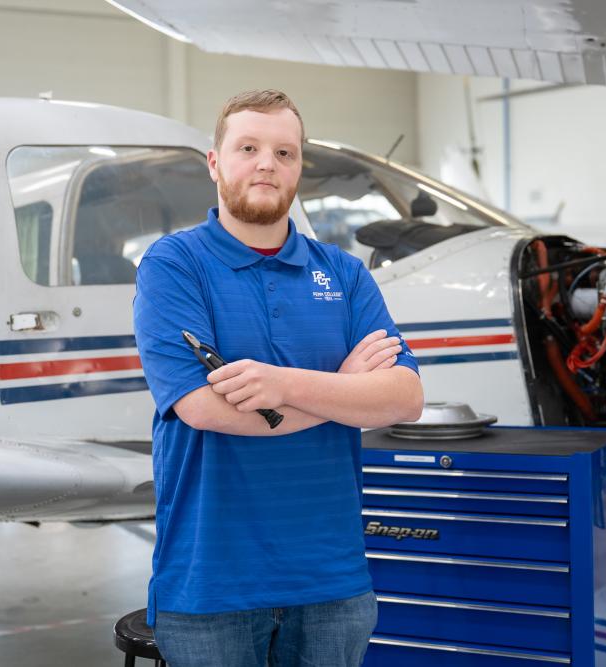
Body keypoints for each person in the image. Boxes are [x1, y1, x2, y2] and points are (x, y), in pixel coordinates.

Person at [133, 89, 423, 667]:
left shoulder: (343, 274)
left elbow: (405, 398)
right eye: (248, 147)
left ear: (298, 169)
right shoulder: (173, 266)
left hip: (331, 583)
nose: (267, 163)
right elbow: (204, 409)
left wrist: (283, 386)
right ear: (215, 163)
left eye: (285, 153)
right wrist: (343, 388)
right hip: (210, 585)